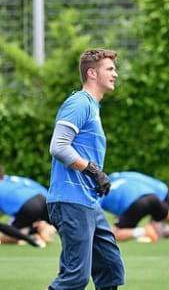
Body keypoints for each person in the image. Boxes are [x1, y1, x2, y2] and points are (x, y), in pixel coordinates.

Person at [46, 48, 124, 290]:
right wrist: (93, 171)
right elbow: (58, 146)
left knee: (110, 268)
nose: (115, 74)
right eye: (110, 69)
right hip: (71, 200)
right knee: (76, 277)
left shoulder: (92, 106)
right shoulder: (79, 103)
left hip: (88, 201)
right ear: (92, 73)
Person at [100, 171, 169, 243]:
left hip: (139, 201)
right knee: (161, 229)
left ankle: (144, 231)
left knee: (112, 235)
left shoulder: (96, 196)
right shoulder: (113, 177)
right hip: (159, 192)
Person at [0, 165, 55, 246]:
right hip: (45, 200)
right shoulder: (11, 179)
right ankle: (41, 226)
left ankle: (34, 231)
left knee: (3, 236)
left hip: (28, 207)